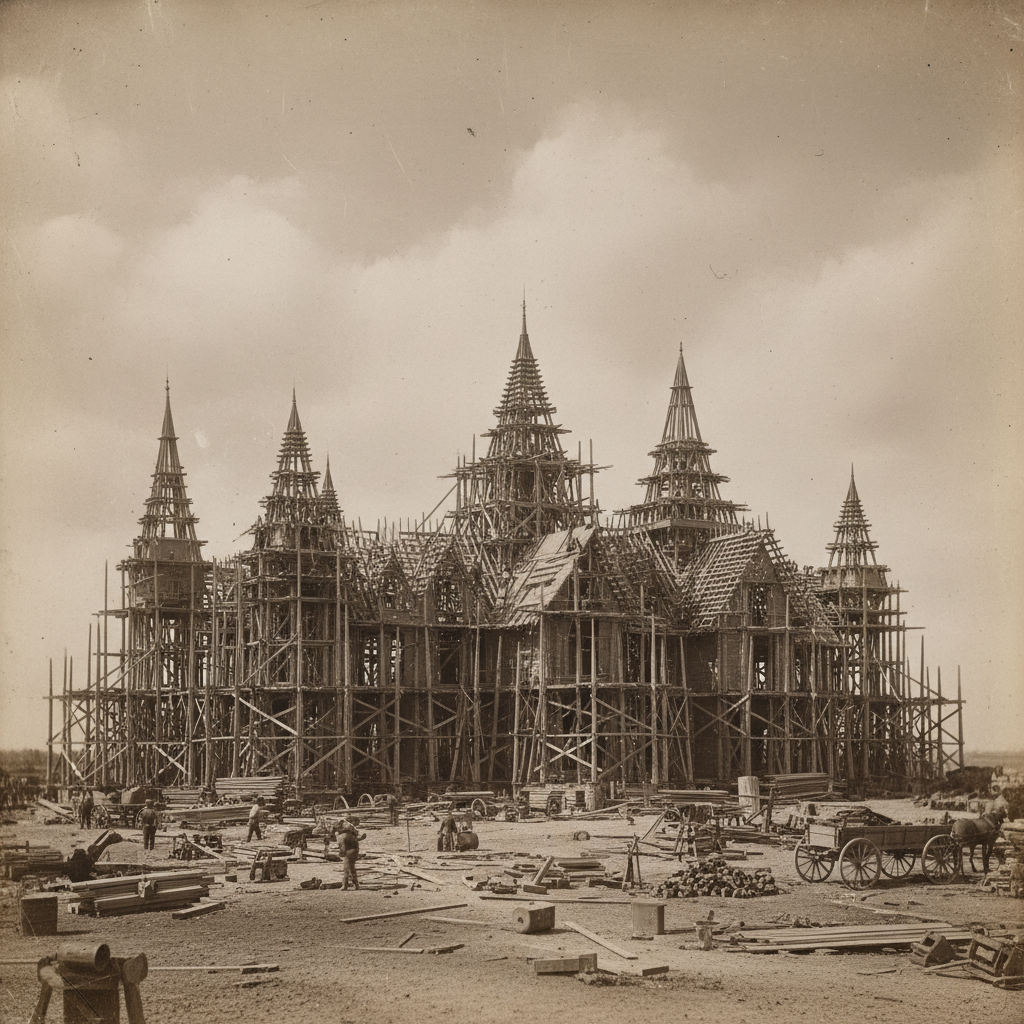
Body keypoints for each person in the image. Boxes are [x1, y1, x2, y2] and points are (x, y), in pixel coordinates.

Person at [338, 818, 365, 890]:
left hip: (348, 852)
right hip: (355, 850)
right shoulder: (352, 835)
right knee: (352, 867)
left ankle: (345, 885)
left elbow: (342, 847)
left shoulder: (341, 836)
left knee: (346, 868)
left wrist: (341, 853)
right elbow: (356, 841)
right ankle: (356, 884)